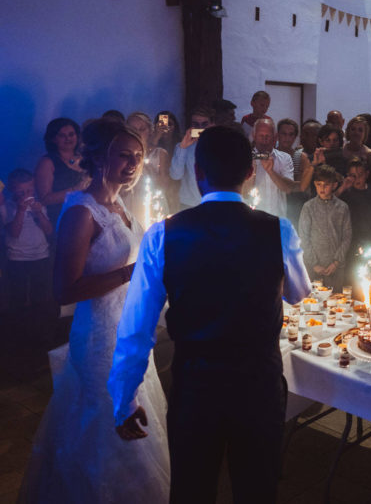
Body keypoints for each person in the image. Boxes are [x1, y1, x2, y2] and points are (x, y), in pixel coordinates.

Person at [107, 125, 309, 502]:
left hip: (195, 387)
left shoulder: (163, 234)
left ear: (197, 171)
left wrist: (124, 396)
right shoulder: (277, 230)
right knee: (257, 488)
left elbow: (137, 327)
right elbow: (299, 294)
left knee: (192, 488)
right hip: (258, 385)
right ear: (250, 173)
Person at [20, 119, 170, 503]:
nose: (134, 163)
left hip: (127, 328)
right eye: (124, 155)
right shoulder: (82, 211)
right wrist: (128, 273)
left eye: (138, 156)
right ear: (100, 156)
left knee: (134, 417)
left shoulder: (118, 203)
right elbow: (64, 289)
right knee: (103, 423)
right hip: (100, 335)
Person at [2, 169, 55, 349]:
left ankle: (40, 336)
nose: (26, 196)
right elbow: (14, 233)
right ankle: (20, 338)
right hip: (17, 259)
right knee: (19, 299)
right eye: (21, 193)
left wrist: (39, 212)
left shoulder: (39, 205)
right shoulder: (7, 207)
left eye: (29, 191)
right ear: (12, 191)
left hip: (41, 256)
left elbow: (48, 231)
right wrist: (20, 210)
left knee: (41, 297)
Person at [298, 165, 351, 289]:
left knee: (336, 303)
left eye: (326, 185)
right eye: (318, 184)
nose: (322, 188)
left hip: (336, 267)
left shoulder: (342, 207)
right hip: (313, 267)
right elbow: (303, 237)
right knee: (313, 302)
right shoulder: (308, 207)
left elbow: (347, 236)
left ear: (334, 185)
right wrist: (314, 264)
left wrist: (336, 262)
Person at [35, 117, 88, 227]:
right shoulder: (47, 162)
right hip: (62, 220)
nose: (68, 138)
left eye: (71, 134)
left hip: (86, 216)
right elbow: (44, 199)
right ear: (53, 139)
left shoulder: (85, 157)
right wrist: (75, 190)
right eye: (62, 135)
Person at [338, 158, 371, 284]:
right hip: (352, 242)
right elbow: (328, 202)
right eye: (353, 175)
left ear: (367, 174)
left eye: (360, 175)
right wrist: (343, 188)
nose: (357, 179)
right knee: (352, 279)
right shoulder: (345, 194)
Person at [124, 112, 170, 226]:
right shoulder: (121, 154)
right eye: (133, 129)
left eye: (142, 129)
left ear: (150, 131)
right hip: (128, 202)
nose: (137, 133)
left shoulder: (159, 154)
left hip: (153, 203)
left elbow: (164, 185)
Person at [247, 118, 296, 218]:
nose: (264, 139)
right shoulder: (244, 158)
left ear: (275, 137)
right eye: (261, 135)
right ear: (254, 136)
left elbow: (288, 189)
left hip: (277, 219)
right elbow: (243, 193)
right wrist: (252, 171)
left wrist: (271, 171)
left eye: (268, 136)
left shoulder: (285, 158)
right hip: (251, 220)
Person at [169, 107, 213, 210]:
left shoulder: (219, 145)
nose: (200, 128)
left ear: (211, 125)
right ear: (191, 126)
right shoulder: (182, 147)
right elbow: (175, 175)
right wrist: (183, 147)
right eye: (196, 125)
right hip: (188, 203)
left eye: (204, 124)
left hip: (212, 202)